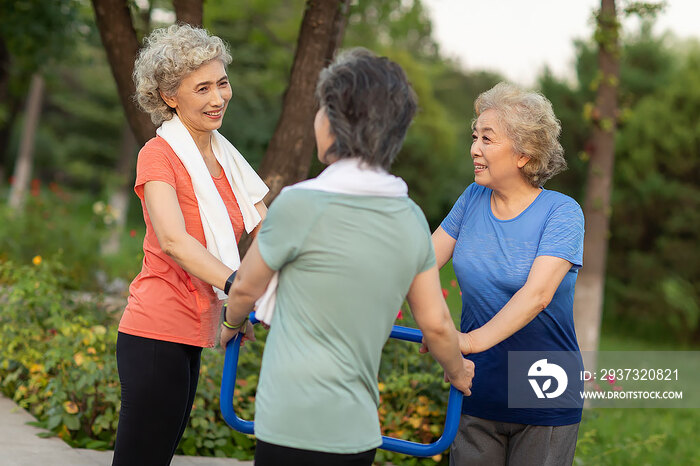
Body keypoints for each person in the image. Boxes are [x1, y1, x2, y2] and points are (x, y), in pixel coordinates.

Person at [220, 48, 474, 466]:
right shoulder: (409, 217)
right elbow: (436, 325)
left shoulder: (298, 204)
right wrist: (458, 371)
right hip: (354, 434)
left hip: (287, 421)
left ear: (336, 122)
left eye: (323, 109)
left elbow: (246, 287)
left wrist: (231, 323)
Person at [113, 25, 267, 465]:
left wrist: (253, 296)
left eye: (222, 83)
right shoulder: (157, 155)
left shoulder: (227, 157)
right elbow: (175, 241)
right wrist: (240, 284)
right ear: (169, 96)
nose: (218, 97)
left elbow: (268, 230)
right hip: (155, 330)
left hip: (195, 328)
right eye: (202, 88)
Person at [431, 82, 585, 466]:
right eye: (474, 136)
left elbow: (537, 296)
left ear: (523, 154)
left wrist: (466, 342)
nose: (474, 148)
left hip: (544, 388)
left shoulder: (562, 212)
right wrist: (435, 326)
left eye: (487, 138)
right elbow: (418, 265)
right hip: (475, 386)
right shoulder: (471, 199)